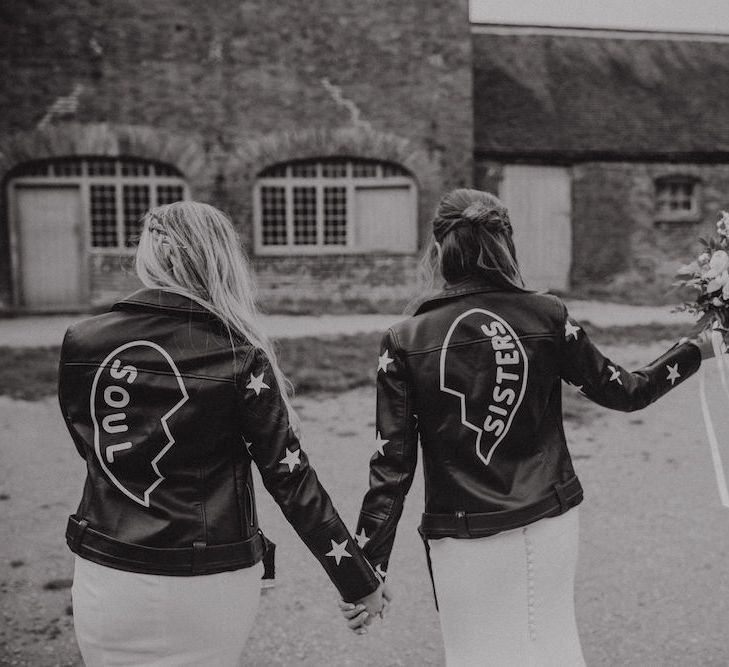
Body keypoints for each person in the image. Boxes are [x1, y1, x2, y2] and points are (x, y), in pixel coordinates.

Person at [340, 188, 715, 665]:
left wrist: (367, 568)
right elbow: (626, 391)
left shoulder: (404, 339)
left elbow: (392, 466)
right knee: (555, 646)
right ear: (506, 245)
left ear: (438, 251)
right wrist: (693, 350)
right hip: (551, 519)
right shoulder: (548, 314)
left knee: (475, 655)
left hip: (463, 532)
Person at [58, 201, 385, 666]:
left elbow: (92, 449)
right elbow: (291, 480)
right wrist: (359, 580)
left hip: (107, 572)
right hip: (208, 578)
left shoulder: (81, 341)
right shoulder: (238, 354)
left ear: (152, 254)